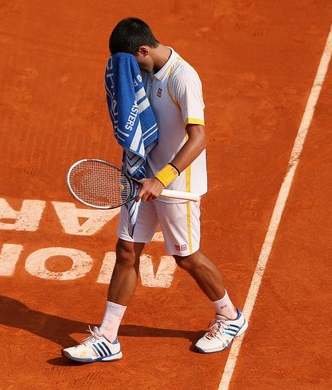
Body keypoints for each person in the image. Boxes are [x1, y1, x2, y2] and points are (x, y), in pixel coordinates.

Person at [62, 17, 248, 362]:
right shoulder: (141, 72)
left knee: (185, 258)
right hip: (142, 179)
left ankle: (230, 316)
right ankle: (107, 337)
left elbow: (200, 138)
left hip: (177, 183)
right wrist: (142, 174)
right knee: (127, 251)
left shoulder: (183, 77)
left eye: (131, 62)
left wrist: (161, 179)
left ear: (143, 50)